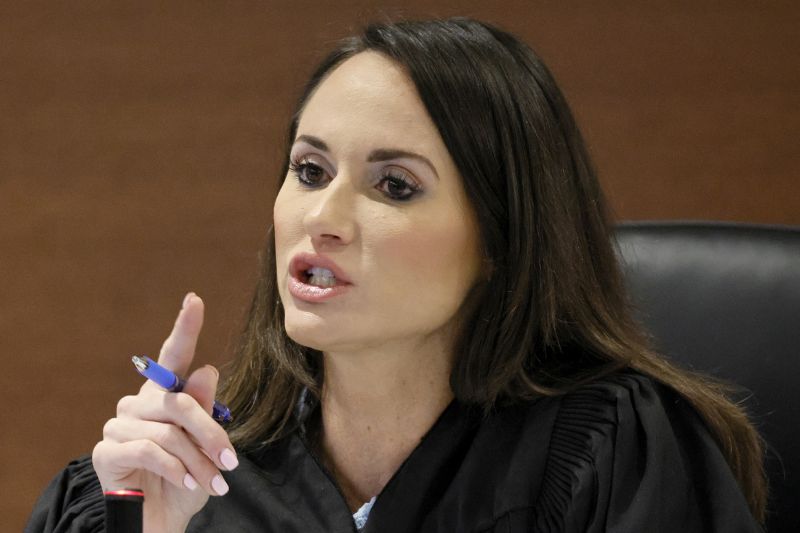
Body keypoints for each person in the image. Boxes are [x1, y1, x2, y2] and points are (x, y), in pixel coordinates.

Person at [26, 17, 766, 532]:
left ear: (503, 238)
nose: (325, 216)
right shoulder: (171, 483)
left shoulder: (610, 460)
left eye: (395, 186)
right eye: (310, 170)